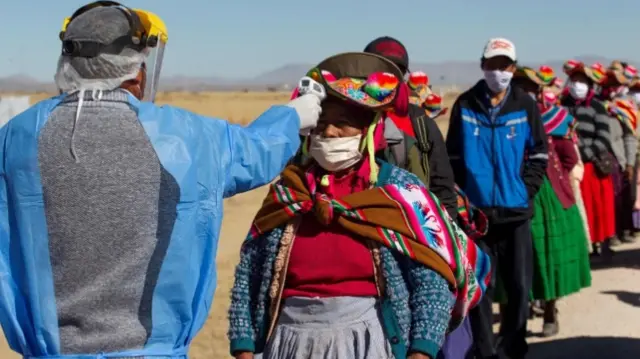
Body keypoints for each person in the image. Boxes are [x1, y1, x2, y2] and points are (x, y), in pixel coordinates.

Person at [0, 3, 323, 358]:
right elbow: (256, 151)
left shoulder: (16, 137)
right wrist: (292, 117)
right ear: (136, 73)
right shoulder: (188, 136)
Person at [227, 52, 491, 359]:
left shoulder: (400, 193)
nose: (328, 133)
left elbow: (429, 280)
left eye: (343, 124)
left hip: (369, 341)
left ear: (371, 130)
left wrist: (422, 351)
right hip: (287, 343)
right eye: (321, 124)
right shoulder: (291, 190)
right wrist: (244, 347)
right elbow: (250, 273)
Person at [446, 38, 548, 359]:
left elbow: (540, 154)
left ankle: (514, 347)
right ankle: (486, 351)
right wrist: (463, 200)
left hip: (516, 212)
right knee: (481, 287)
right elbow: (453, 160)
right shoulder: (464, 105)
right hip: (478, 218)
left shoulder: (525, 105)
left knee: (519, 286)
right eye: (492, 65)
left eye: (504, 66)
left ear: (513, 69)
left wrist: (525, 189)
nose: (498, 72)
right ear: (482, 66)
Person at [509, 65, 591, 337]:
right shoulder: (502, 120)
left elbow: (569, 158)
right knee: (519, 255)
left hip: (549, 194)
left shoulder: (555, 119)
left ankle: (550, 310)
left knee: (549, 255)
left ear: (539, 91)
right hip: (513, 193)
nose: (524, 93)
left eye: (529, 88)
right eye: (518, 87)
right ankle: (517, 317)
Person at [364, 36, 458, 218]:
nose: (387, 77)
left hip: (414, 226)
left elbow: (442, 186)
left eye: (395, 70)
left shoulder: (420, 121)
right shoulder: (349, 118)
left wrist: (446, 229)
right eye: (380, 69)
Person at [560, 60, 616, 256]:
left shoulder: (597, 107)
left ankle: (599, 243)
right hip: (569, 166)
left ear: (589, 84)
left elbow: (604, 139)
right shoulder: (562, 105)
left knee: (596, 208)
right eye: (574, 80)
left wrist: (582, 154)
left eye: (581, 80)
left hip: (592, 166)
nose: (577, 84)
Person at [595, 61, 639, 244]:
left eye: (615, 85)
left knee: (625, 195)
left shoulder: (624, 108)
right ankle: (610, 232)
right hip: (602, 156)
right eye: (608, 85)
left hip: (621, 157)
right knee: (607, 198)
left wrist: (629, 162)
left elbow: (629, 137)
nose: (611, 89)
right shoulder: (597, 106)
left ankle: (625, 228)